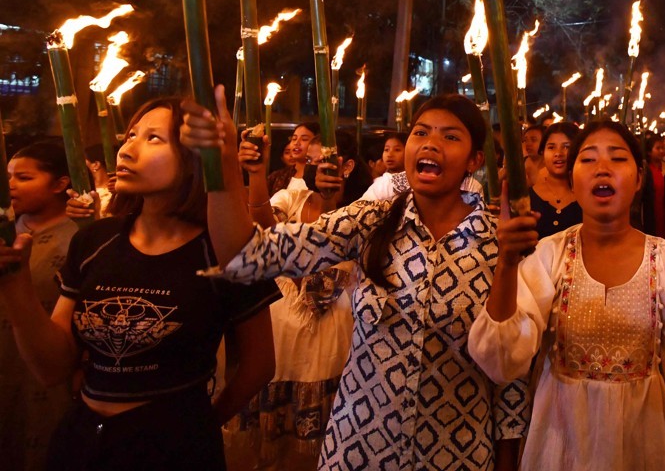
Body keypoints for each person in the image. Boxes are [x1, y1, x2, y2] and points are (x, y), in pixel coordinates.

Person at [183, 91, 528, 470]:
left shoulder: (501, 240)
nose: (430, 144)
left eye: (450, 136)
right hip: (358, 448)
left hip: (454, 454)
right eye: (420, 133)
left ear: (475, 160)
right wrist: (221, 165)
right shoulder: (370, 220)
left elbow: (508, 377)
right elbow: (248, 253)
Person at [0, 98, 279, 470]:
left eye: (153, 139)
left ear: (196, 157)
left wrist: (202, 424)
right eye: (131, 135)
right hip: (83, 439)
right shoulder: (94, 241)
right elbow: (52, 367)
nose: (128, 149)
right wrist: (15, 286)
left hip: (172, 448)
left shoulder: (225, 250)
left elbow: (259, 365)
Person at [467, 120, 665, 470]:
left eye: (617, 158)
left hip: (646, 443)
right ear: (573, 179)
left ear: (639, 178)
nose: (603, 169)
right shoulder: (551, 254)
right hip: (562, 442)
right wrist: (506, 263)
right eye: (589, 159)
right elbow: (501, 360)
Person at [227, 129, 369, 470]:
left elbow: (329, 248)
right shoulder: (294, 198)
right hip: (282, 329)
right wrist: (256, 174)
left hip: (329, 331)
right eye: (313, 162)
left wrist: (332, 200)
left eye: (325, 163)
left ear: (347, 167)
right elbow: (264, 227)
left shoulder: (364, 211)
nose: (317, 169)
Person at [0, 141, 78, 470]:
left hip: (48, 377)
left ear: (60, 183)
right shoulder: (6, 235)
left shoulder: (80, 237)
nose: (10, 186)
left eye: (24, 177)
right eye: (8, 177)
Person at [528, 122, 581, 239]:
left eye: (566, 147)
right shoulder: (527, 199)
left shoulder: (588, 197)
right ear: (543, 152)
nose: (558, 153)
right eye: (551, 147)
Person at [267, 122, 320, 197]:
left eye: (304, 139)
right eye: (294, 139)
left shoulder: (320, 176)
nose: (296, 143)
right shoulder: (277, 176)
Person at [638, 132, 665, 234]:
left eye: (663, 148)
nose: (661, 151)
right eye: (658, 148)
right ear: (649, 152)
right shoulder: (645, 171)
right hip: (652, 211)